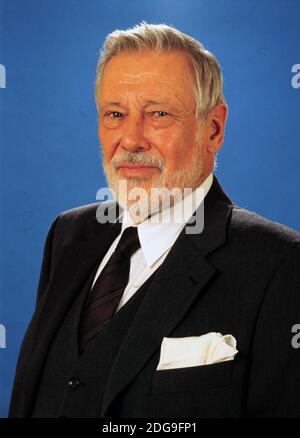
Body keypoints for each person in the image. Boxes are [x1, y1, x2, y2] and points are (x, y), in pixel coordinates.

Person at [9, 22, 300, 418]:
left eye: (158, 114)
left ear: (213, 129)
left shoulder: (279, 263)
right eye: (115, 114)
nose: (130, 140)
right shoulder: (68, 235)